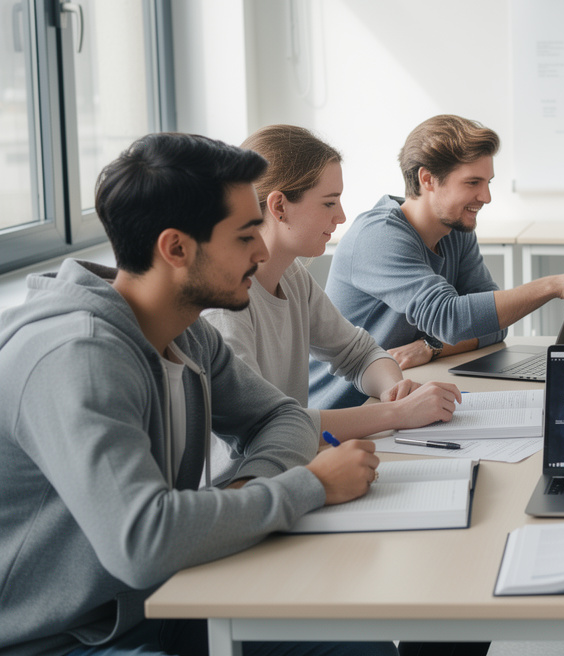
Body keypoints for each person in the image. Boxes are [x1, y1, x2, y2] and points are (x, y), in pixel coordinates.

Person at [0, 133, 388, 656]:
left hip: (166, 595)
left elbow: (285, 417)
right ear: (176, 248)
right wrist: (307, 487)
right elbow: (146, 541)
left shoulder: (186, 331)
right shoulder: (78, 358)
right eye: (246, 234)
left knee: (358, 645)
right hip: (69, 638)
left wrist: (245, 491)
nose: (261, 249)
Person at [314, 114, 564, 410]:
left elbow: (491, 327)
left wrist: (430, 347)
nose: (486, 196)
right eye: (473, 183)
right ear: (428, 179)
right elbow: (453, 320)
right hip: (346, 410)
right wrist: (553, 285)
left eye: (488, 182)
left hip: (399, 397)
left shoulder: (454, 231)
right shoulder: (377, 237)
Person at [202, 125, 462, 468]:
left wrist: (393, 388)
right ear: (279, 206)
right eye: (329, 203)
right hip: (251, 490)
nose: (340, 216)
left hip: (294, 468)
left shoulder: (293, 277)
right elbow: (269, 423)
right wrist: (396, 413)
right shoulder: (223, 304)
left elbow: (358, 353)